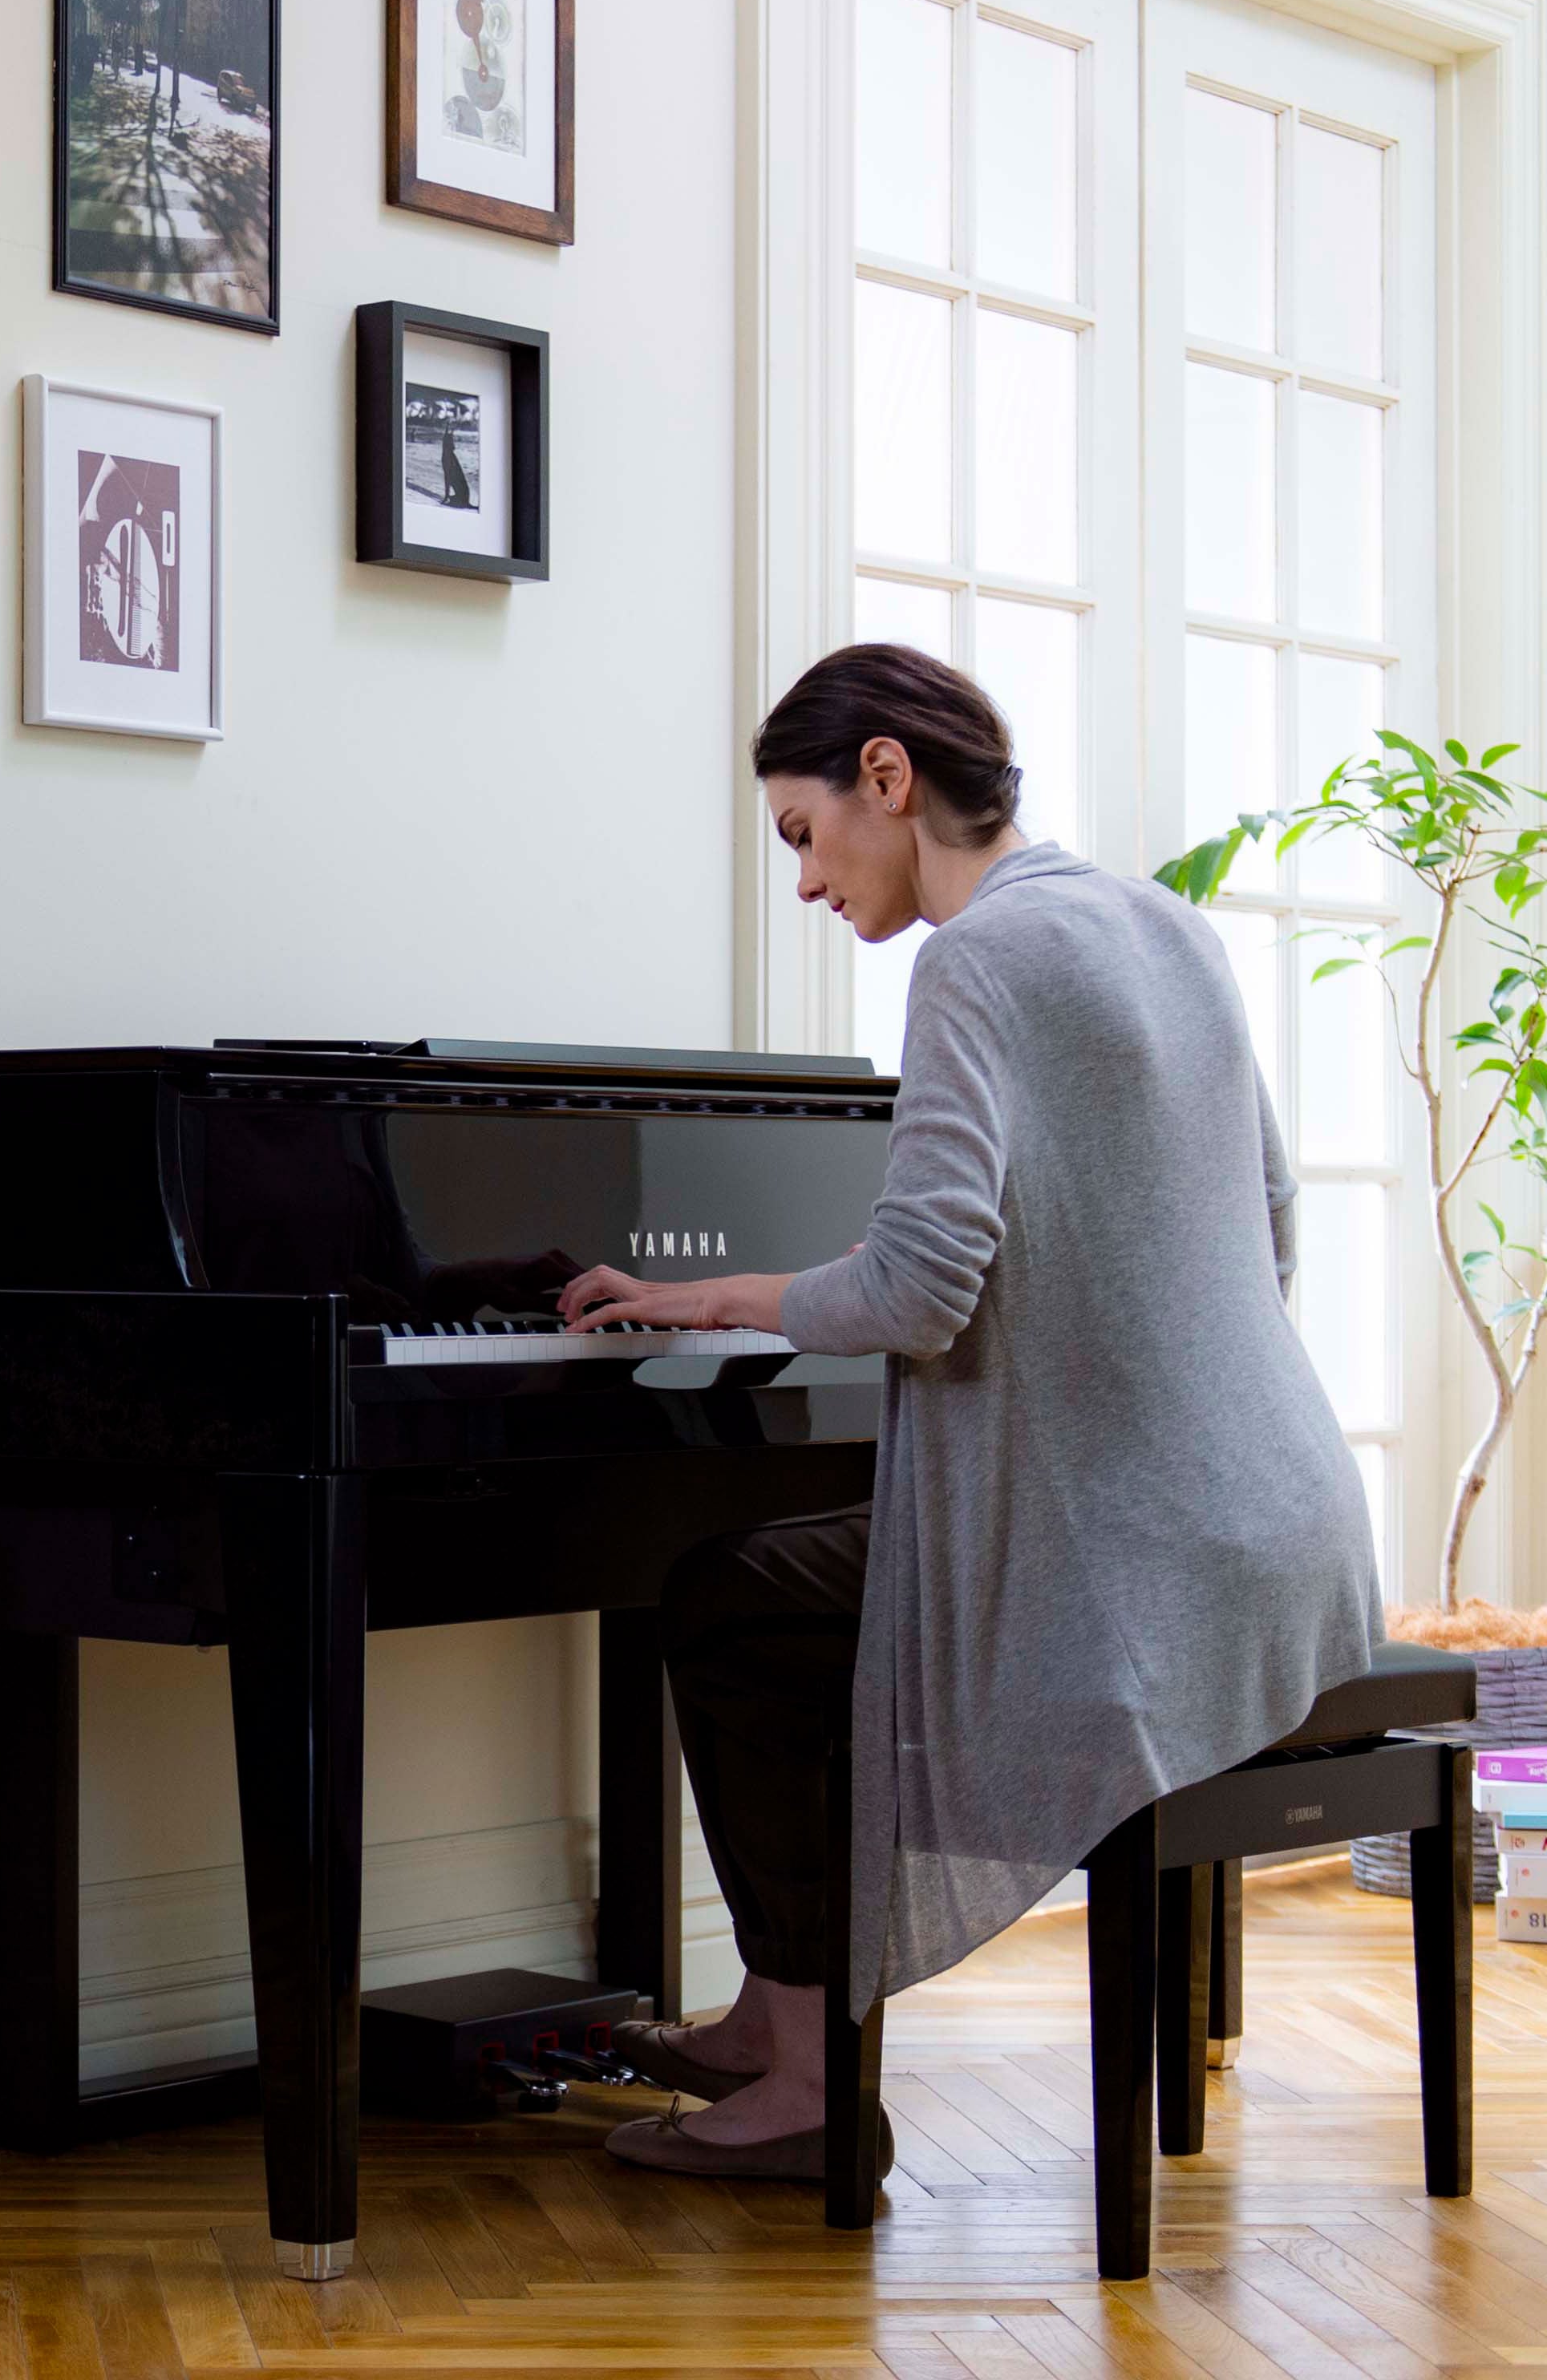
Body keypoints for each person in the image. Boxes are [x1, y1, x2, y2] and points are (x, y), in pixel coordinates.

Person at [556, 644, 1382, 2180]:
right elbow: (1268, 1225)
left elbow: (924, 1289)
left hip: (1145, 1563)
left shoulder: (978, 957)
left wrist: (719, 1297)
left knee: (730, 1599)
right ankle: (774, 2011)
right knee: (792, 1589)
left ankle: (805, 2075)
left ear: (886, 778)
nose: (807, 884)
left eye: (804, 834)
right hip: (1297, 1530)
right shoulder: (1167, 924)